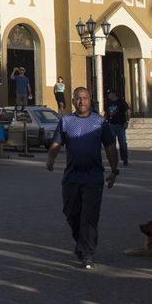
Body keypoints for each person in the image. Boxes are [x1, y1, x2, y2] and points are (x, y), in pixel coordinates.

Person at [45, 87, 120, 269]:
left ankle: (87, 253)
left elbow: (110, 147)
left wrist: (113, 170)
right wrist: (51, 158)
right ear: (73, 101)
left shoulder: (99, 122)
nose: (82, 101)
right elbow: (57, 143)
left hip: (93, 177)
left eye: (85, 98)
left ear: (90, 100)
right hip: (72, 177)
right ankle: (81, 243)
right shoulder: (66, 121)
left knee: (89, 216)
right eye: (78, 98)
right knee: (71, 213)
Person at [105, 91, 131, 166]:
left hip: (120, 125)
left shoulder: (122, 102)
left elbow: (128, 111)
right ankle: (115, 159)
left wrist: (127, 121)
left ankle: (125, 159)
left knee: (122, 142)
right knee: (112, 143)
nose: (108, 96)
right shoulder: (108, 103)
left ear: (113, 94)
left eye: (109, 94)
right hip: (111, 125)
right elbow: (106, 113)